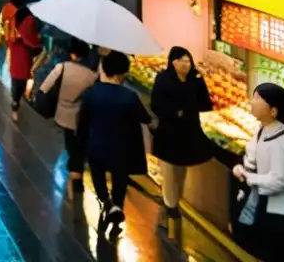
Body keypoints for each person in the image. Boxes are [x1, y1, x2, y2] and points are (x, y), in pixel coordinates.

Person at [77, 51, 151, 237]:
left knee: (98, 175)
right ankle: (116, 206)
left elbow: (84, 120)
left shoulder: (92, 93)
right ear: (123, 73)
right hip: (122, 149)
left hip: (97, 145)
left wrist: (81, 145)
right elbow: (145, 118)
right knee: (120, 179)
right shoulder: (130, 97)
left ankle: (106, 203)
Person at [150, 46, 213, 225]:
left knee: (181, 170)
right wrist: (173, 113)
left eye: (188, 60)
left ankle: (174, 199)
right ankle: (171, 205)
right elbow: (156, 103)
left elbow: (205, 102)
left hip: (189, 132)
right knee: (169, 170)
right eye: (182, 60)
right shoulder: (163, 79)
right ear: (173, 62)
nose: (186, 64)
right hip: (169, 132)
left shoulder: (196, 79)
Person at [232, 82, 284, 261]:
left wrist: (248, 177)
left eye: (257, 99)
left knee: (265, 249)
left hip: (270, 210)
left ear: (273, 111)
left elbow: (279, 181)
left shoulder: (280, 141)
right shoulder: (264, 129)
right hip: (257, 202)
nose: (251, 102)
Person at [37, 38, 97, 198]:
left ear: (72, 53)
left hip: (63, 115)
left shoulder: (61, 68)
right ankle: (75, 177)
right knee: (80, 148)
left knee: (71, 146)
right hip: (82, 118)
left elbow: (44, 87)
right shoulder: (91, 76)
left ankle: (74, 176)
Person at [7, 3, 42, 122]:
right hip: (24, 64)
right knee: (20, 85)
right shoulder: (30, 21)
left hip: (18, 65)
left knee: (17, 86)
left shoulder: (15, 37)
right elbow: (33, 42)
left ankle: (16, 104)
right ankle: (17, 103)